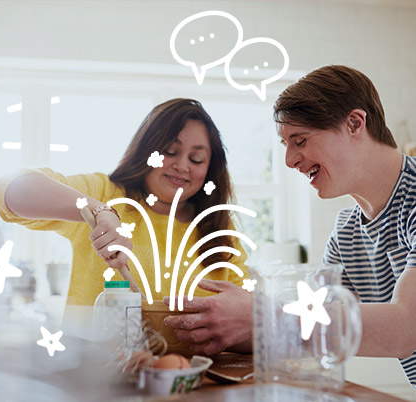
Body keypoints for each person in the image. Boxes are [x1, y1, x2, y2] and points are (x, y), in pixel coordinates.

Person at [167, 65, 416, 385]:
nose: (289, 160)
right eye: (285, 144)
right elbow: (318, 330)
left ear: (355, 123)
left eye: (299, 140)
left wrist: (263, 316)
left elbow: (406, 328)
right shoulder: (346, 234)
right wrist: (221, 323)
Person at [0, 98, 251, 343]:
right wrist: (98, 211)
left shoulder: (218, 229)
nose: (182, 166)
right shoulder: (104, 194)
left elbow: (246, 327)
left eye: (196, 159)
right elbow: (9, 189)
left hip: (198, 381)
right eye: (170, 152)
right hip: (96, 379)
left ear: (210, 169)